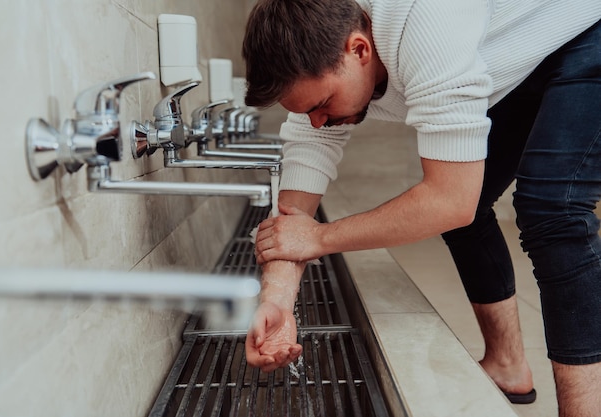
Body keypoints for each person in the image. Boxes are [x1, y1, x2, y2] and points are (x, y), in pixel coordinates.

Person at [241, 0, 601, 415]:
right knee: (471, 206)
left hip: (586, 28)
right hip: (523, 54)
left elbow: (449, 200)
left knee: (553, 209)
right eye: (307, 113)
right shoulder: (320, 49)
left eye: (322, 104)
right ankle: (508, 365)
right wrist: (277, 300)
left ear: (359, 50)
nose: (318, 121)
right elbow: (295, 213)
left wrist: (321, 238)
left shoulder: (426, 24)